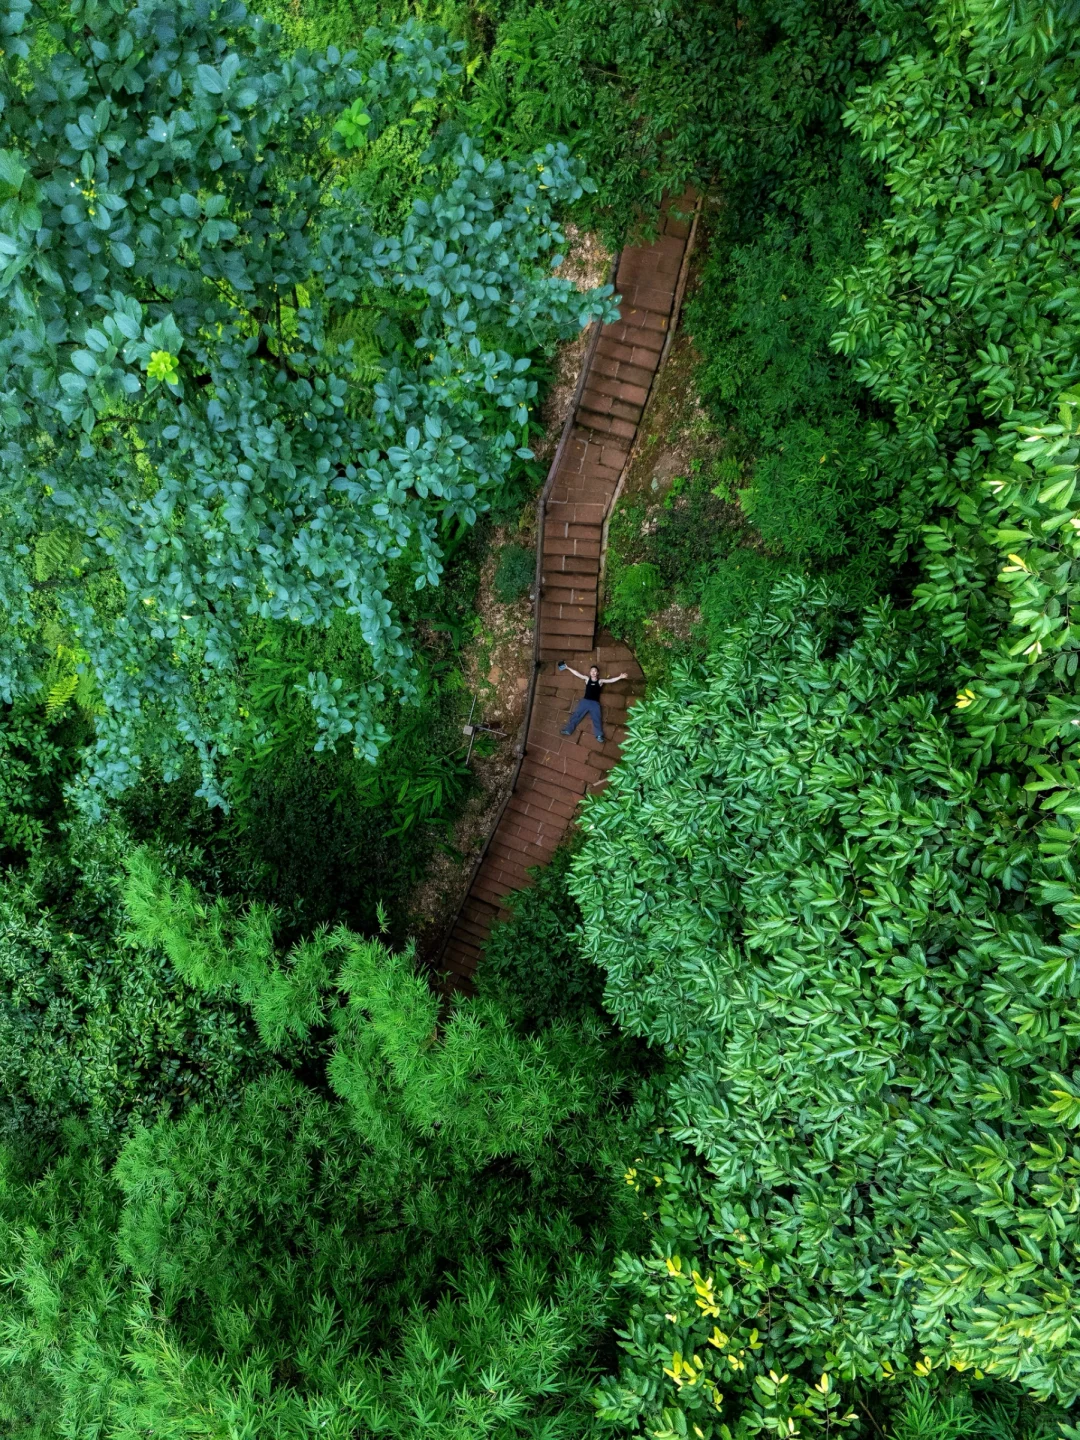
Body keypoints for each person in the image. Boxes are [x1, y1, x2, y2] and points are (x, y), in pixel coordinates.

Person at [558, 662, 628, 743]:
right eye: (592, 671)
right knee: (576, 715)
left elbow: (610, 680)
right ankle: (568, 730)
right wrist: (567, 667)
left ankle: (599, 735)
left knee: (597, 719)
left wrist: (620, 677)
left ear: (597, 673)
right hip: (585, 702)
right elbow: (577, 674)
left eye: (595, 671)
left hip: (595, 704)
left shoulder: (600, 681)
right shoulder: (587, 679)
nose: (593, 672)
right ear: (590, 672)